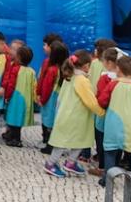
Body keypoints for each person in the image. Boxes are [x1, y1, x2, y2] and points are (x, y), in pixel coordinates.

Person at [44, 50, 105, 179]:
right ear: (85, 66)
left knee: (80, 139)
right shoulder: (82, 80)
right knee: (64, 141)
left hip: (69, 114)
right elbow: (89, 100)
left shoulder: (69, 75)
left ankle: (71, 162)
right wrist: (101, 111)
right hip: (75, 116)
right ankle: (51, 163)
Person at [99, 55, 131, 190]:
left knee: (110, 151)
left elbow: (102, 101)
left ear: (118, 69)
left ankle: (107, 179)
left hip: (114, 125)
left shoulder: (113, 84)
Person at [37, 38, 69, 154]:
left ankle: (50, 145)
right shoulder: (66, 69)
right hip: (61, 98)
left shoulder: (52, 70)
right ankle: (58, 144)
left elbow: (47, 87)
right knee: (57, 121)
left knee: (49, 121)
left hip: (51, 98)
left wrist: (42, 99)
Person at [2, 45, 37, 148]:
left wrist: (7, 96)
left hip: (15, 98)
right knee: (19, 118)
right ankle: (12, 135)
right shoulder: (32, 71)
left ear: (19, 57)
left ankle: (15, 139)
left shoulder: (16, 69)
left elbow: (11, 84)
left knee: (13, 117)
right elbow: (34, 86)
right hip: (25, 100)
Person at [92, 47, 120, 174]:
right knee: (117, 142)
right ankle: (116, 166)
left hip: (104, 115)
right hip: (118, 116)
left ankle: (102, 166)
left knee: (101, 140)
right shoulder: (124, 78)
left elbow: (101, 96)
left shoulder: (105, 78)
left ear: (108, 62)